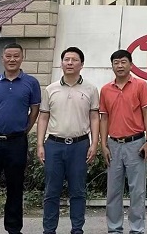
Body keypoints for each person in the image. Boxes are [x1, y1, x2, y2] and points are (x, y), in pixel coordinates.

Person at [0, 42, 42, 234]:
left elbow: (34, 110)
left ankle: (13, 229)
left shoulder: (31, 83)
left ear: (22, 58)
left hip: (16, 143)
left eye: (16, 56)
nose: (12, 59)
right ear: (2, 58)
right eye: (8, 56)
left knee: (15, 188)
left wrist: (24, 130)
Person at [37, 47, 100, 234]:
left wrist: (94, 143)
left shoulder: (91, 89)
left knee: (78, 191)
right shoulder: (51, 89)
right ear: (61, 63)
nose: (70, 63)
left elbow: (94, 117)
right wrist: (40, 144)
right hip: (54, 145)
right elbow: (43, 117)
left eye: (74, 59)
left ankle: (77, 229)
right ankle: (49, 230)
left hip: (80, 145)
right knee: (51, 191)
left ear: (82, 64)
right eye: (66, 59)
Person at [99, 49, 147, 234]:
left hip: (136, 144)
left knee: (137, 191)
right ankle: (114, 229)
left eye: (123, 62)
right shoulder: (106, 89)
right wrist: (103, 144)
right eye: (116, 62)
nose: (120, 66)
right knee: (113, 191)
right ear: (112, 66)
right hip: (113, 145)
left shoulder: (140, 85)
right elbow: (104, 118)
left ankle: (137, 229)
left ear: (131, 65)